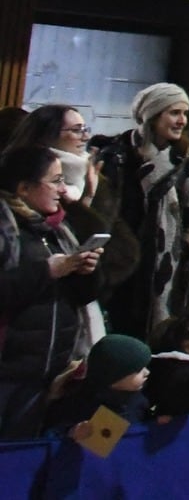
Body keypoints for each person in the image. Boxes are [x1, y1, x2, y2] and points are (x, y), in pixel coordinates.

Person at [0, 145, 106, 435]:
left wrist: (85, 271)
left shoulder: (57, 230)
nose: (62, 189)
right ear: (23, 188)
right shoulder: (7, 228)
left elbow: (83, 296)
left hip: (47, 373)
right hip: (9, 372)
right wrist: (48, 271)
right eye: (55, 180)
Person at [92, 83, 189, 340]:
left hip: (159, 271)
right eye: (174, 113)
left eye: (185, 113)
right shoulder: (115, 155)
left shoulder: (184, 163)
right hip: (119, 268)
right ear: (153, 115)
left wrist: (183, 242)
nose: (182, 120)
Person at [45, 333, 154, 439]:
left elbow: (145, 422)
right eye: (139, 370)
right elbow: (51, 434)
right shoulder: (78, 404)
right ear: (114, 378)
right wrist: (72, 432)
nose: (147, 372)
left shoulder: (137, 399)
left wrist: (159, 421)